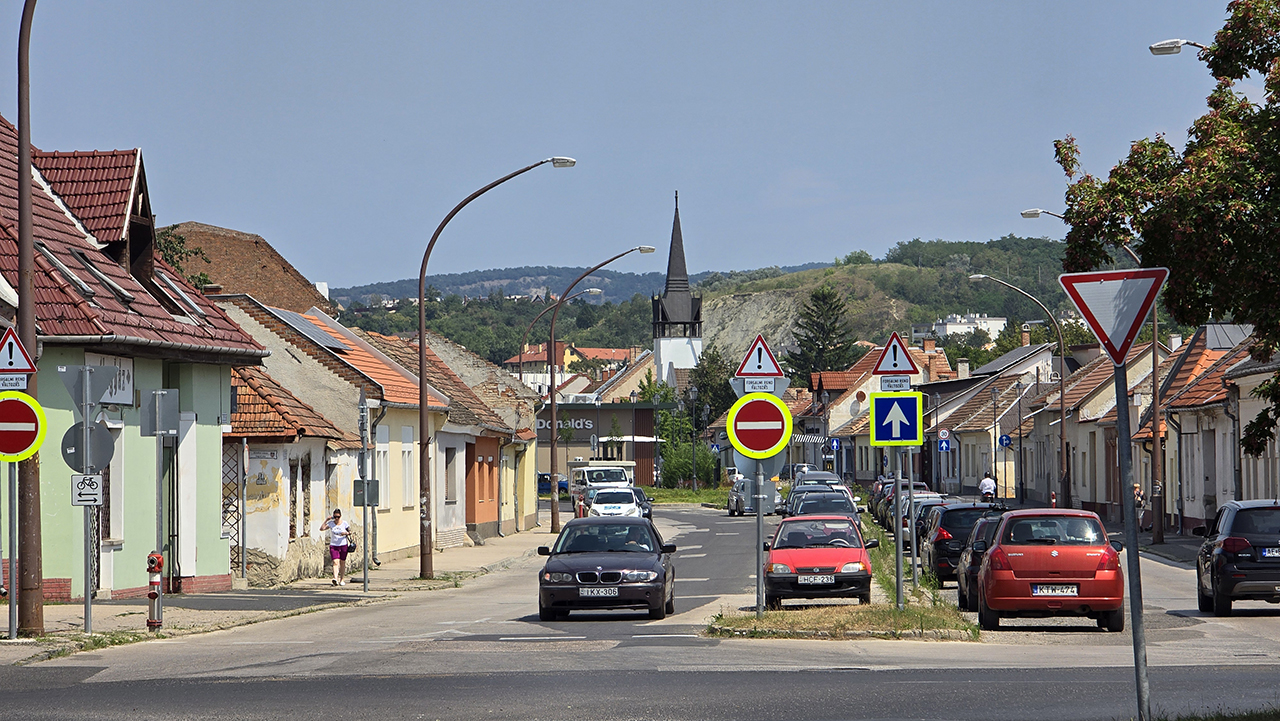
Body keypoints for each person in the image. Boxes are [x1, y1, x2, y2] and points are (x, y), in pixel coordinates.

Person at [322, 508, 351, 586]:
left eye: (338, 517)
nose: (336, 518)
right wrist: (326, 520)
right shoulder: (331, 523)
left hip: (343, 545)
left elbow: (350, 532)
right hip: (334, 545)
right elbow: (322, 528)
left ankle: (342, 579)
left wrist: (346, 533)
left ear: (340, 516)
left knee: (342, 562)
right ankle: (335, 578)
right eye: (335, 517)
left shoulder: (344, 523)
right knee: (335, 562)